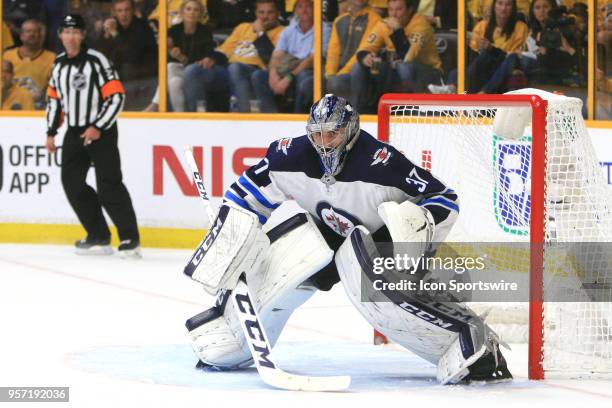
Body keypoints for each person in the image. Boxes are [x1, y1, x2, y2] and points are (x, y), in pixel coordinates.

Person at [184, 94, 512, 384]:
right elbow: (245, 195)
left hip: (382, 242)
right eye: (318, 134)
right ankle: (232, 332)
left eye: (333, 133)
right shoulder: (290, 156)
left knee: (385, 300)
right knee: (283, 268)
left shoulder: (383, 162)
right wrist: (231, 239)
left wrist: (418, 225)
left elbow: (444, 198)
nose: (325, 142)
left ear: (351, 130)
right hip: (323, 235)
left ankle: (476, 345)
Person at [45, 14, 141, 257]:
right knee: (72, 184)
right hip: (75, 131)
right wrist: (51, 132)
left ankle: (130, 238)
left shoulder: (97, 61)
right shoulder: (58, 64)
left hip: (102, 131)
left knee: (109, 185)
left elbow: (117, 96)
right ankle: (98, 235)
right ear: (60, 36)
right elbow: (54, 100)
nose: (71, 37)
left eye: (76, 32)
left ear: (83, 35)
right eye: (67, 32)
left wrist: (98, 125)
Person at [354, 0, 443, 112]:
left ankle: (407, 112)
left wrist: (398, 31)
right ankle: (361, 114)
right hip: (397, 70)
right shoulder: (384, 24)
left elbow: (407, 57)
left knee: (403, 67)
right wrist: (365, 57)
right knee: (358, 67)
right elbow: (363, 48)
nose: (394, 14)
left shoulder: (421, 25)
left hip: (429, 73)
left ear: (409, 10)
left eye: (399, 10)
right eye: (391, 9)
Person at [429, 0, 528, 94]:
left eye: (508, 4)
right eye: (500, 3)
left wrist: (491, 49)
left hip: (502, 65)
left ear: (513, 8)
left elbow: (511, 55)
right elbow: (474, 52)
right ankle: (452, 98)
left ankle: (474, 91)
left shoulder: (520, 27)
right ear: (494, 6)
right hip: (482, 65)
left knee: (491, 54)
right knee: (455, 72)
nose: (503, 8)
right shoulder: (482, 25)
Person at [146, 0, 218, 112]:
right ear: (182, 12)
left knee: (171, 68)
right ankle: (179, 116)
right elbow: (169, 59)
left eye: (196, 10)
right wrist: (169, 50)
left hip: (197, 71)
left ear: (200, 14)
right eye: (188, 9)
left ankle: (155, 104)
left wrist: (181, 58)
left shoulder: (205, 31)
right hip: (179, 71)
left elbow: (205, 57)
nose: (192, 13)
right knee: (174, 81)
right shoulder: (174, 31)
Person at [215, 0, 284, 112]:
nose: (265, 16)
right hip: (230, 68)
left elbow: (270, 60)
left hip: (258, 70)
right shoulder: (243, 27)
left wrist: (260, 33)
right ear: (255, 13)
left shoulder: (282, 32)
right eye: (261, 12)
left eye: (269, 12)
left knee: (235, 68)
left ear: (277, 13)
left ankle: (245, 114)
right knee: (194, 71)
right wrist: (209, 58)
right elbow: (223, 52)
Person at [253, 0, 322, 113]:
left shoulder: (324, 28)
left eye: (308, 6)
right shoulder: (288, 30)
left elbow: (311, 60)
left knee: (304, 77)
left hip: (307, 69)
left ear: (316, 9)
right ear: (295, 10)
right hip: (289, 68)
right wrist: (273, 73)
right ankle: (272, 117)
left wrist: (288, 78)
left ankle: (297, 118)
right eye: (300, 6)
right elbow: (277, 55)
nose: (304, 10)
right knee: (259, 75)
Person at [97, 0, 158, 110]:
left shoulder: (142, 27)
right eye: (119, 11)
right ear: (114, 12)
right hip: (121, 76)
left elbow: (130, 56)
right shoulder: (112, 25)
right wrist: (106, 34)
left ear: (133, 11)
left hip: (144, 76)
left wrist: (114, 33)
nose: (123, 14)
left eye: (127, 10)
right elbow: (101, 54)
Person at [325, 0, 381, 104]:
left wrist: (337, 76)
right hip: (340, 74)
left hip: (362, 74)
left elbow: (363, 51)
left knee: (336, 82)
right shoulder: (339, 20)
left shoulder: (374, 19)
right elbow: (333, 53)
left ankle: (354, 113)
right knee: (311, 82)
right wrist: (330, 75)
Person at [3, 19, 56, 109]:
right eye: (28, 31)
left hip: (38, 110)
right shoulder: (7, 55)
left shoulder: (52, 58)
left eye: (35, 32)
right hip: (11, 109)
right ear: (21, 35)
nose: (32, 34)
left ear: (40, 36)